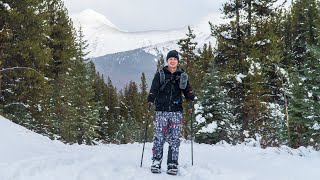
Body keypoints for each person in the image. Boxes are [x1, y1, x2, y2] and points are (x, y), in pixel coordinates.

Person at [147, 50, 195, 175]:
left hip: (176, 112)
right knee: (159, 137)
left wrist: (190, 99)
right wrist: (150, 100)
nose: (172, 61)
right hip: (161, 111)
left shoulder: (182, 75)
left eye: (174, 59)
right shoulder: (161, 74)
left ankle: (172, 163)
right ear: (167, 61)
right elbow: (154, 89)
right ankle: (156, 161)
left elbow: (187, 90)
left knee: (174, 139)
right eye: (170, 59)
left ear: (177, 61)